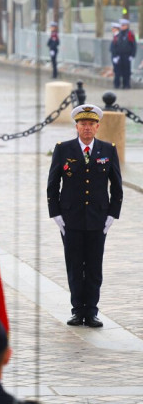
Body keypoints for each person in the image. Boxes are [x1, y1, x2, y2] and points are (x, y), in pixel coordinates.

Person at [47, 104, 122, 328]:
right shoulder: (63, 149)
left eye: (91, 124)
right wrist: (56, 214)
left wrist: (112, 215)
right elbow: (52, 185)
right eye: (83, 124)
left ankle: (92, 311)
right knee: (74, 266)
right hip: (71, 219)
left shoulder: (108, 150)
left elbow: (116, 187)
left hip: (98, 219)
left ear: (98, 127)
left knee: (93, 267)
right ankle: (77, 310)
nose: (87, 128)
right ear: (76, 126)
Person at [115, 18, 137, 89]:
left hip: (127, 55)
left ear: (127, 26)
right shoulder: (120, 34)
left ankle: (127, 85)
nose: (122, 27)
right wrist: (117, 55)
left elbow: (133, 45)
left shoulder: (130, 34)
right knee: (121, 70)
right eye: (121, 25)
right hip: (120, 55)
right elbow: (117, 45)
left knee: (127, 71)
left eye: (123, 25)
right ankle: (122, 84)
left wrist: (132, 55)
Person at [110, 22, 121, 88]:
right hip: (114, 56)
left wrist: (117, 56)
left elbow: (118, 47)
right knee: (116, 70)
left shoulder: (118, 36)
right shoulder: (115, 36)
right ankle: (116, 84)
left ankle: (117, 84)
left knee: (117, 71)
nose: (112, 29)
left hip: (117, 56)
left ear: (117, 29)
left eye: (113, 28)